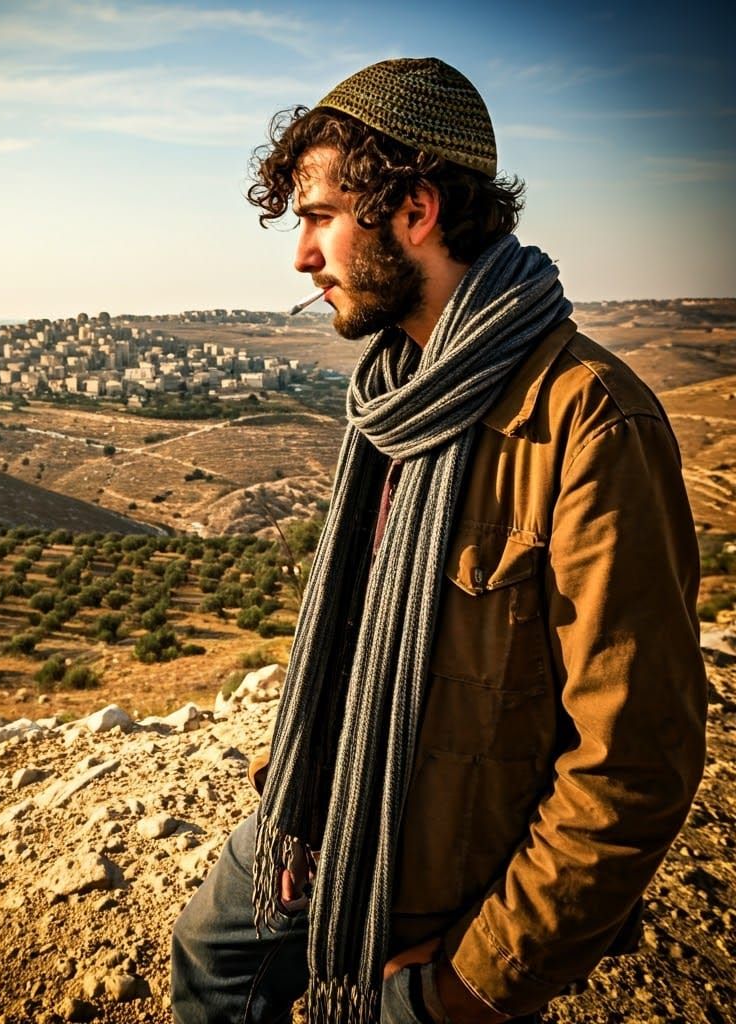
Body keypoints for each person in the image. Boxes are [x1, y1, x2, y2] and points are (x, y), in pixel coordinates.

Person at [171, 58, 707, 1024]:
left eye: (319, 217)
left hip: (434, 868)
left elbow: (633, 761)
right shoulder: (397, 389)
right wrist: (296, 797)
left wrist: (472, 982)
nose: (302, 257)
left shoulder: (589, 421)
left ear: (415, 210)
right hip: (316, 814)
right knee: (208, 958)